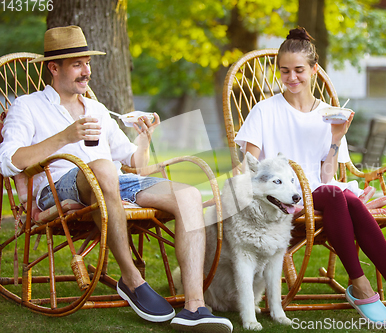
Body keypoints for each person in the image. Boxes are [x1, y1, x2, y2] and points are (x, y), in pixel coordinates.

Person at [0, 25, 232, 333]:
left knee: (187, 194)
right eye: (77, 64)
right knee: (102, 167)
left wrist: (145, 138)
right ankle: (131, 279)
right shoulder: (27, 106)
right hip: (58, 189)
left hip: (115, 182)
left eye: (87, 63)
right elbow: (8, 161)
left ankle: (194, 307)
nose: (87, 71)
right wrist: (64, 137)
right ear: (54, 68)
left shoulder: (96, 109)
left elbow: (134, 162)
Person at [235, 27, 386, 329]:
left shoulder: (329, 115)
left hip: (319, 193)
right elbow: (248, 169)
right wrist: (281, 201)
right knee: (338, 196)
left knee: (338, 195)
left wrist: (336, 138)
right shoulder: (264, 111)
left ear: (314, 70)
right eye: (285, 71)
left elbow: (326, 175)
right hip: (280, 197)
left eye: (299, 70)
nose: (292, 78)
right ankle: (374, 287)